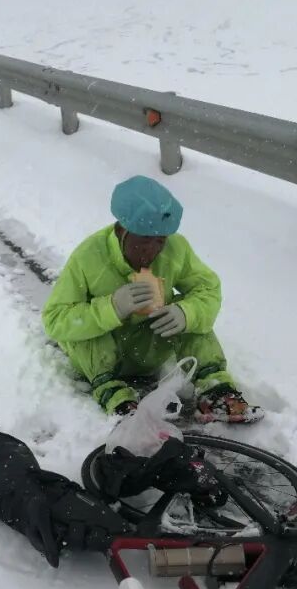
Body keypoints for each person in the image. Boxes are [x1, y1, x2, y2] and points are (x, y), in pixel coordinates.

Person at [42, 175, 262, 423]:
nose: (153, 250)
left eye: (160, 241)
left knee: (193, 313)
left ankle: (216, 392)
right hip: (100, 359)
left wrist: (186, 314)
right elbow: (54, 319)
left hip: (148, 346)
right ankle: (116, 397)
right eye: (144, 240)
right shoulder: (88, 257)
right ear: (121, 230)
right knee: (89, 330)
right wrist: (111, 308)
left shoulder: (176, 249)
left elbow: (208, 289)